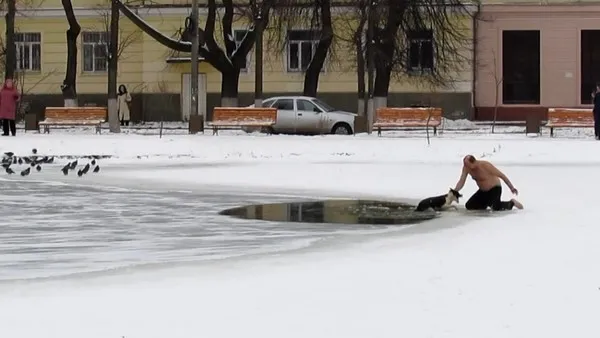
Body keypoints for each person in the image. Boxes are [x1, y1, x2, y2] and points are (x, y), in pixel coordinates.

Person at [453, 155, 523, 211]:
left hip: (494, 188)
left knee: (495, 207)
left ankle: (512, 203)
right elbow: (461, 181)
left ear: (473, 162)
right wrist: (455, 191)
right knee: (469, 206)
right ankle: (487, 204)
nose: (466, 166)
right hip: (483, 191)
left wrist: (511, 187)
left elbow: (502, 176)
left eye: (467, 165)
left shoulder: (485, 165)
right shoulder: (466, 168)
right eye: (465, 164)